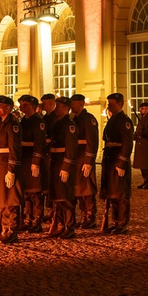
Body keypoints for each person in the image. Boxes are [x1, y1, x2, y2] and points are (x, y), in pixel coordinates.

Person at [0, 95, 24, 243]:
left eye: (0, 106)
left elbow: (14, 148)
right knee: (2, 199)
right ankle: (3, 228)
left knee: (11, 199)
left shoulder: (12, 125)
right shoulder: (2, 123)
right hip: (0, 165)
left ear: (8, 108)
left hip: (7, 165)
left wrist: (12, 169)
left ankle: (11, 230)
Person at [100, 93, 134, 235]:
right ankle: (115, 221)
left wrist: (121, 162)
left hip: (118, 159)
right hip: (109, 158)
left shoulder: (124, 121)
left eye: (111, 103)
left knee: (121, 193)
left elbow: (127, 143)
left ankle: (122, 223)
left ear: (120, 104)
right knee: (112, 193)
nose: (108, 106)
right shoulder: (112, 119)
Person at [47, 96, 79, 238]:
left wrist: (66, 167)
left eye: (58, 106)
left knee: (66, 197)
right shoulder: (58, 123)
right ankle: (61, 224)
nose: (56, 109)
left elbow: (71, 148)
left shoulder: (69, 125)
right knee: (58, 197)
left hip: (63, 163)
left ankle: (70, 226)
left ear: (66, 108)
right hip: (55, 162)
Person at [18, 95, 47, 232]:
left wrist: (36, 162)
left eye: (25, 105)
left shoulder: (38, 122)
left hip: (32, 159)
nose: (22, 107)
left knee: (35, 192)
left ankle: (37, 220)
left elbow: (40, 144)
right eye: (21, 104)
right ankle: (28, 218)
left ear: (33, 106)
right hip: (23, 159)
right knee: (26, 192)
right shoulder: (22, 121)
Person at [70, 94, 99, 228]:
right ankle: (83, 215)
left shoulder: (88, 119)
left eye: (74, 103)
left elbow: (92, 142)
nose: (71, 106)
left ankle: (90, 216)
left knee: (86, 189)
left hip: (83, 158)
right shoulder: (73, 118)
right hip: (76, 157)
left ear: (81, 104)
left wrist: (88, 160)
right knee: (78, 189)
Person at [133, 102, 148, 190]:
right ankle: (145, 180)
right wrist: (134, 136)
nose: (141, 111)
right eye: (140, 109)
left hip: (147, 145)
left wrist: (145, 129)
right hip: (140, 144)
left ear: (147, 109)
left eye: (142, 109)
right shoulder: (141, 119)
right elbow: (138, 131)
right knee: (142, 164)